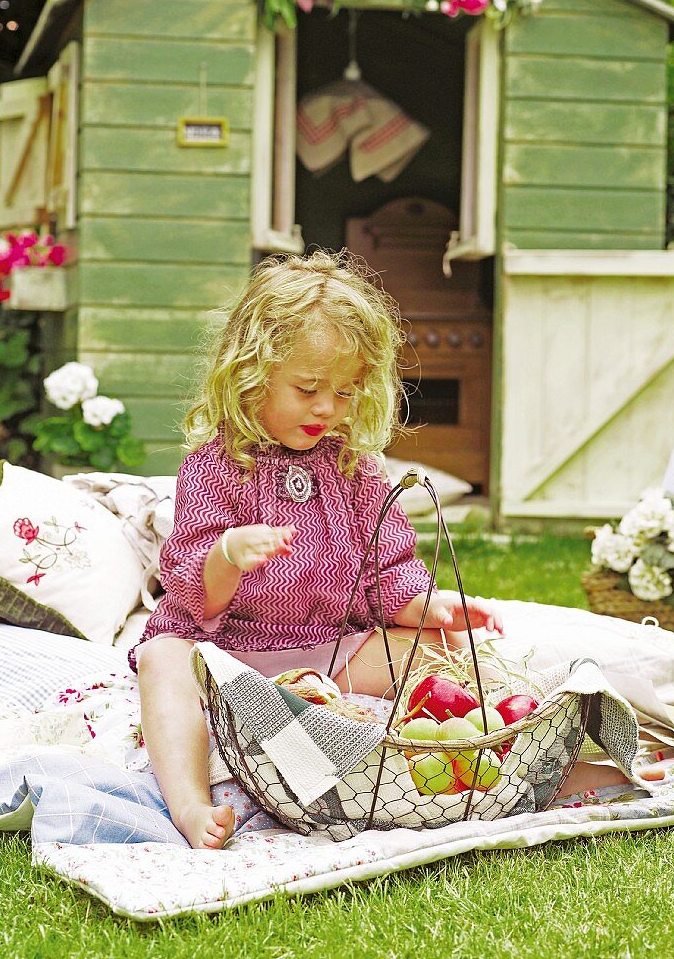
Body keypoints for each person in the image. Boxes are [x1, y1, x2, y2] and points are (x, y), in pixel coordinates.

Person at [136, 250, 510, 849]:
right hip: (227, 663)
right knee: (162, 661)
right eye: (308, 388)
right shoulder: (217, 467)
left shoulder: (358, 470)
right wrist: (227, 554)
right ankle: (189, 803)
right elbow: (192, 595)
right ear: (249, 374)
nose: (327, 408)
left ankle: (509, 764)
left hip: (333, 656)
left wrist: (426, 608)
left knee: (444, 653)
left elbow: (389, 573)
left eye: (344, 392)